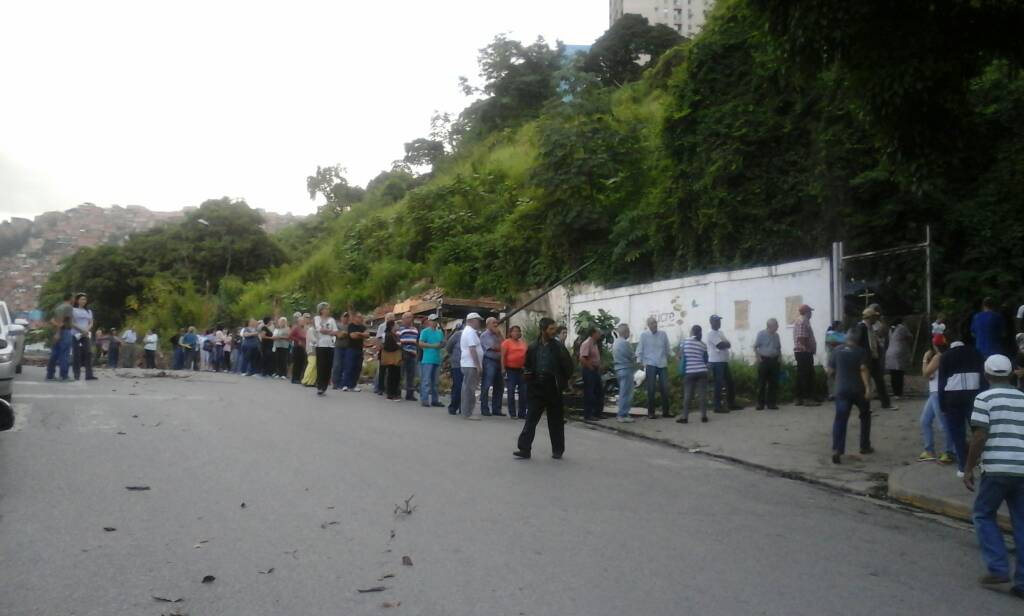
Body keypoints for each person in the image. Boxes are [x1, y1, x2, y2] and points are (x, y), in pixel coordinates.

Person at [962, 354, 1024, 599]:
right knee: (1021, 522)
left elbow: (979, 436)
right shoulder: (1022, 398)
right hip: (1022, 469)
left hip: (997, 469)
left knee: (983, 514)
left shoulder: (983, 398)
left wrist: (968, 467)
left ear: (986, 374)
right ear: (1010, 374)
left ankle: (998, 566)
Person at [514, 317, 574, 459]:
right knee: (531, 419)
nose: (554, 331)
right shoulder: (533, 347)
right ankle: (524, 449)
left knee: (556, 421)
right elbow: (527, 365)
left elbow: (568, 367)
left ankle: (558, 450)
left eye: (554, 329)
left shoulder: (559, 348)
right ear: (543, 330)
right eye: (551, 329)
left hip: (553, 388)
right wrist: (526, 374)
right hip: (536, 387)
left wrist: (562, 382)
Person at [939, 339, 987, 475]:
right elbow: (984, 378)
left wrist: (942, 405)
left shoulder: (946, 356)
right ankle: (983, 462)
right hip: (974, 398)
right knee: (978, 432)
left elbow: (941, 383)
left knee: (957, 435)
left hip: (952, 400)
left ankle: (962, 466)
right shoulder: (976, 353)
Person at [828, 329, 872, 464]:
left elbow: (830, 371)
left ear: (845, 338)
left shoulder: (836, 351)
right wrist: (868, 388)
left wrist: (837, 380)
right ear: (857, 340)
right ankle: (864, 445)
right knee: (865, 414)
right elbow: (863, 369)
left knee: (840, 418)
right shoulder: (861, 351)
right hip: (858, 390)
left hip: (841, 390)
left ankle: (837, 449)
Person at [918, 334, 955, 464]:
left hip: (937, 392)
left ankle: (949, 451)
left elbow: (925, 373)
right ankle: (929, 449)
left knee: (943, 424)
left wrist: (924, 359)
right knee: (925, 420)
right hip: (935, 391)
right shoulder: (947, 355)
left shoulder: (938, 357)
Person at [857, 306, 896, 410]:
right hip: (865, 360)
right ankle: (864, 405)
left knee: (880, 381)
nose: (876, 319)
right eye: (874, 317)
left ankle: (886, 403)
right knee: (864, 383)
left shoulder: (870, 328)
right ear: (870, 317)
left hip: (873, 358)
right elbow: (858, 344)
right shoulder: (861, 328)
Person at [636, 317, 671, 419]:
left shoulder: (663, 334)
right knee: (651, 388)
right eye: (652, 323)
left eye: (655, 322)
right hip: (650, 364)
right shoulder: (644, 335)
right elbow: (639, 350)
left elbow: (667, 348)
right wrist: (640, 362)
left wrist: (674, 356)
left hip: (662, 363)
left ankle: (666, 412)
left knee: (665, 388)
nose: (654, 325)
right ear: (648, 325)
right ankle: (651, 412)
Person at [706, 314, 741, 413]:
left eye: (719, 321)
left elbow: (728, 343)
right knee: (719, 384)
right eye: (716, 321)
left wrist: (726, 344)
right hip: (716, 362)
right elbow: (721, 345)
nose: (719, 322)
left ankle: (731, 403)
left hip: (724, 361)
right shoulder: (711, 333)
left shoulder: (720, 332)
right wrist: (726, 344)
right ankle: (717, 406)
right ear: (711, 322)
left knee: (730, 382)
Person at [678, 324, 710, 424]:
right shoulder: (703, 345)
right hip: (702, 371)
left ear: (692, 331)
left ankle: (685, 417)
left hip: (689, 371)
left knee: (688, 395)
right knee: (702, 395)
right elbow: (706, 359)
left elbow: (680, 354)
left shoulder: (685, 341)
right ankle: (704, 416)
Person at [793, 304, 819, 406]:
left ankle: (799, 397)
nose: (811, 313)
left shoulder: (804, 321)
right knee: (806, 375)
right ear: (806, 312)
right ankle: (806, 398)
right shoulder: (802, 321)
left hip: (804, 352)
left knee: (801, 375)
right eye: (810, 311)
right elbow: (801, 338)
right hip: (803, 352)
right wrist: (810, 348)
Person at [459, 313, 484, 420]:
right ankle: (467, 413)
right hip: (470, 364)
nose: (479, 323)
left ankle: (466, 411)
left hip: (468, 363)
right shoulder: (470, 332)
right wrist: (478, 365)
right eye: (478, 320)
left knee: (467, 388)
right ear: (472, 320)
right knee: (469, 388)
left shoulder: (469, 332)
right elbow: (472, 349)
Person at [416, 314, 445, 407]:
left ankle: (435, 400)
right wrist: (433, 346)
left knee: (435, 381)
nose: (435, 322)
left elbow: (442, 343)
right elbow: (420, 343)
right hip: (427, 359)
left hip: (437, 358)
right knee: (426, 380)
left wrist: (442, 344)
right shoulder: (425, 331)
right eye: (433, 320)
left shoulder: (439, 332)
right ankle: (424, 399)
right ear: (429, 321)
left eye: (436, 320)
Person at [479, 317, 506, 416]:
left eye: (496, 322)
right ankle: (484, 408)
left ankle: (496, 409)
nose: (496, 324)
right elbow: (494, 347)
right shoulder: (484, 335)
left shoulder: (498, 334)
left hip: (500, 362)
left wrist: (499, 335)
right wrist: (501, 347)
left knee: (500, 386)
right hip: (489, 361)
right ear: (488, 324)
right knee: (487, 384)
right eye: (493, 323)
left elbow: (505, 345)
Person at [502, 325, 530, 420]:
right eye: (515, 331)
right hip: (510, 369)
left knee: (523, 391)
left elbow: (526, 355)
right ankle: (512, 413)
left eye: (519, 331)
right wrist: (503, 368)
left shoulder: (523, 343)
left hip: (521, 370)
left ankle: (522, 413)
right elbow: (503, 356)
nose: (517, 333)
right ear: (510, 333)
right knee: (511, 391)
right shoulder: (506, 342)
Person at [754, 318, 782, 410]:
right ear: (770, 326)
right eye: (776, 325)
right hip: (764, 360)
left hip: (774, 360)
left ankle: (771, 403)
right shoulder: (761, 334)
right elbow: (755, 347)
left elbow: (778, 348)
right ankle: (760, 404)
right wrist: (758, 357)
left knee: (773, 383)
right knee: (761, 383)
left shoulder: (776, 335)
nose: (777, 327)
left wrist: (779, 358)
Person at [46, 293, 75, 381]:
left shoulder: (58, 307)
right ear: (70, 298)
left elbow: (52, 320)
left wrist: (56, 332)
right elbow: (62, 320)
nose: (74, 300)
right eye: (73, 298)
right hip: (65, 331)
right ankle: (64, 375)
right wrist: (59, 332)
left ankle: (50, 374)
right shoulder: (68, 307)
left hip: (56, 331)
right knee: (64, 354)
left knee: (54, 354)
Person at [579, 326, 605, 421]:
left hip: (595, 370)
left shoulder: (594, 344)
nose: (600, 335)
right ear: (593, 333)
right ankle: (588, 414)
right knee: (589, 392)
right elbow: (582, 358)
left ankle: (598, 413)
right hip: (589, 370)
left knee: (599, 391)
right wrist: (591, 368)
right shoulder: (587, 343)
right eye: (598, 333)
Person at [611, 323, 635, 423]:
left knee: (623, 392)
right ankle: (622, 414)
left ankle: (623, 413)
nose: (629, 333)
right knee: (626, 393)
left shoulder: (615, 343)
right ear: (625, 332)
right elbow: (632, 356)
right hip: (626, 368)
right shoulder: (625, 343)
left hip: (618, 369)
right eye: (628, 331)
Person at [313, 302, 338, 395]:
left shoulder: (332, 320)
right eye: (326, 309)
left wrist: (328, 332)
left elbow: (335, 332)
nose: (328, 310)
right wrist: (329, 331)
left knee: (328, 366)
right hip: (321, 344)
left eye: (328, 309)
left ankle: (324, 386)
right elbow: (320, 329)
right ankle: (319, 386)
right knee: (321, 366)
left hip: (330, 345)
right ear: (321, 310)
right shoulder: (317, 318)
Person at [71, 293, 97, 381]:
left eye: (85, 299)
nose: (83, 301)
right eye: (82, 299)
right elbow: (72, 323)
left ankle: (89, 375)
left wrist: (86, 330)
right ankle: (76, 374)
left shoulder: (88, 311)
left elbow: (91, 322)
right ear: (77, 300)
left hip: (85, 334)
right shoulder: (73, 310)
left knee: (88, 352)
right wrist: (81, 330)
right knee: (77, 354)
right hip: (76, 334)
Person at [885, 317, 912, 398]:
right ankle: (899, 393)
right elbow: (910, 337)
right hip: (899, 352)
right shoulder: (902, 328)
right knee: (899, 374)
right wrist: (906, 326)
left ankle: (895, 393)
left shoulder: (891, 329)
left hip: (890, 352)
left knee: (893, 374)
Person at [397, 312, 420, 401]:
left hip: (413, 354)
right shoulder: (400, 329)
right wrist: (402, 352)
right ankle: (397, 392)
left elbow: (417, 342)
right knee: (400, 374)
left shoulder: (415, 329)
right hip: (403, 354)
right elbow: (398, 342)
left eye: (410, 317)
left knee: (411, 375)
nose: (409, 319)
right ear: (403, 319)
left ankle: (410, 394)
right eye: (407, 317)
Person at [344, 312, 370, 391]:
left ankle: (353, 385)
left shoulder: (362, 326)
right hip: (351, 349)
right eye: (359, 317)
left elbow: (367, 335)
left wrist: (359, 333)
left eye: (361, 317)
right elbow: (352, 336)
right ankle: (345, 384)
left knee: (357, 367)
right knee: (349, 366)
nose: (360, 318)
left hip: (359, 349)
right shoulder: (351, 326)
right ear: (355, 318)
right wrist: (362, 334)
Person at [380, 319, 403, 401]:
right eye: (396, 324)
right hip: (392, 358)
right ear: (392, 326)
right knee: (392, 376)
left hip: (396, 358)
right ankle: (391, 394)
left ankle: (394, 392)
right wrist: (399, 346)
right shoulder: (388, 335)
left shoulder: (395, 335)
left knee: (396, 376)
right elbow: (388, 347)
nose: (398, 326)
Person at [373, 312, 395, 395]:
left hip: (392, 350)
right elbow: (378, 338)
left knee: (390, 370)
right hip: (384, 349)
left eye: (392, 317)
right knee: (382, 370)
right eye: (389, 317)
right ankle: (379, 388)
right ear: (386, 318)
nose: (390, 319)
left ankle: (388, 388)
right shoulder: (382, 326)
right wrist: (379, 348)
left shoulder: (395, 326)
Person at [445, 322, 465, 415]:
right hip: (457, 364)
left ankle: (463, 407)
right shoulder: (457, 335)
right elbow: (448, 347)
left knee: (465, 387)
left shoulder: (475, 335)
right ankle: (453, 407)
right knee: (458, 386)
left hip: (468, 365)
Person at [824, 322, 844, 401]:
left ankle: (837, 393)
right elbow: (831, 342)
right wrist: (843, 342)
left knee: (838, 375)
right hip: (832, 357)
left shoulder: (841, 334)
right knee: (831, 374)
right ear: (836, 326)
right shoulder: (830, 333)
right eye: (840, 326)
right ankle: (831, 393)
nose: (842, 327)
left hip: (839, 357)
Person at [331, 312, 351, 390]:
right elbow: (339, 335)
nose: (346, 318)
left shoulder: (349, 326)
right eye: (344, 317)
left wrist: (344, 334)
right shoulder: (337, 325)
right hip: (338, 347)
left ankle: (342, 383)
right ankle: (335, 383)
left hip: (347, 348)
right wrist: (345, 334)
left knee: (345, 366)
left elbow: (351, 335)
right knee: (337, 365)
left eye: (347, 317)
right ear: (341, 318)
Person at [289, 315, 308, 384]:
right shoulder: (296, 328)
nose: (303, 322)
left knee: (302, 363)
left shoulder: (305, 329)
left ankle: (299, 378)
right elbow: (290, 336)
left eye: (304, 321)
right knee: (296, 363)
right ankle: (294, 378)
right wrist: (297, 340)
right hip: (297, 347)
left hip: (304, 347)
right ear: (298, 322)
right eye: (302, 321)